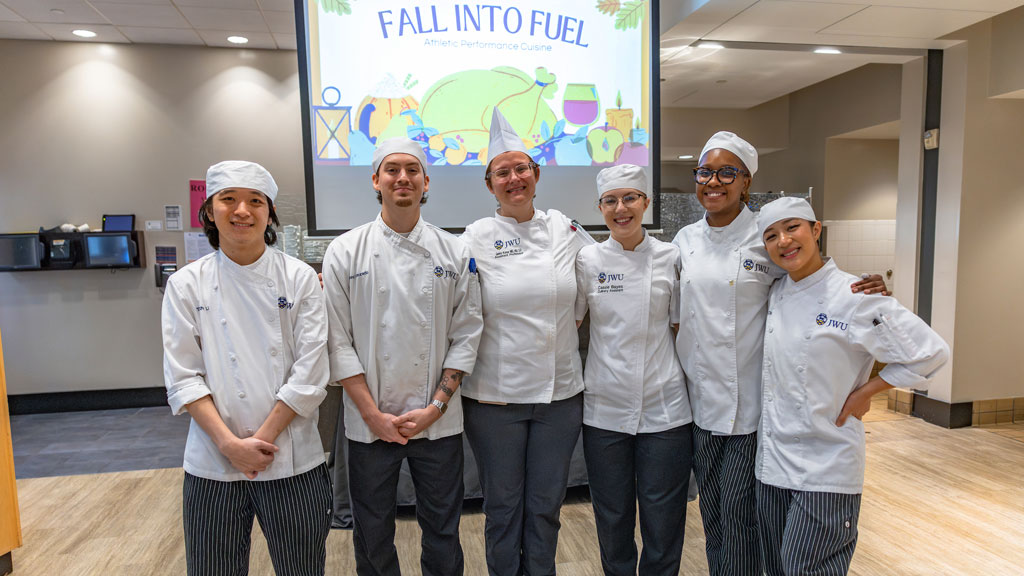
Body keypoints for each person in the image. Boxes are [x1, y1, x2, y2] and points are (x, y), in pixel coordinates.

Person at [672, 131, 888, 576]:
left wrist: (867, 382)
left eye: (727, 172)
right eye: (705, 172)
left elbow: (821, 291)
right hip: (699, 405)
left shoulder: (768, 234)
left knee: (741, 522)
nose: (714, 181)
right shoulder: (684, 240)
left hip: (756, 408)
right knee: (715, 519)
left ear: (746, 181)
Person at [755, 197, 948, 576]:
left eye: (792, 228)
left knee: (806, 568)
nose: (783, 241)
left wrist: (868, 391)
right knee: (776, 569)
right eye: (771, 235)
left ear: (816, 230)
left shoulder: (856, 294)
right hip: (773, 464)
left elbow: (931, 354)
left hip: (828, 464)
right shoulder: (775, 291)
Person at [161, 160, 333, 576]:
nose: (242, 210)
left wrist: (261, 441)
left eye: (255, 201)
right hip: (212, 462)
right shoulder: (186, 284)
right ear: (209, 211)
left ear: (269, 213)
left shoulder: (299, 278)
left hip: (292, 458)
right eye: (229, 199)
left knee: (303, 568)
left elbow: (311, 371)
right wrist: (229, 445)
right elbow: (184, 376)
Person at [321, 138, 483, 576]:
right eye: (392, 169)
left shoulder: (455, 251)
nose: (403, 178)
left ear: (426, 181)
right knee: (372, 530)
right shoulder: (345, 250)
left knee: (444, 528)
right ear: (376, 180)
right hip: (368, 422)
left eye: (412, 170)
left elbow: (467, 335)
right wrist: (373, 415)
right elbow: (338, 342)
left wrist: (435, 407)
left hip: (439, 421)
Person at [459, 108, 595, 576]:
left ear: (536, 175)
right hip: (495, 398)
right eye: (502, 172)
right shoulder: (474, 238)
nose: (514, 178)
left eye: (522, 169)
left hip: (560, 397)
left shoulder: (566, 229)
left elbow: (595, 283)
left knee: (545, 507)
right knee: (502, 509)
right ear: (489, 184)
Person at [574, 164, 694, 576]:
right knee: (612, 516)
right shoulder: (588, 259)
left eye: (630, 198)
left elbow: (681, 326)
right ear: (600, 207)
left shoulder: (670, 257)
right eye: (611, 200)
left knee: (664, 520)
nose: (620, 208)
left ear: (646, 202)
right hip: (605, 410)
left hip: (666, 410)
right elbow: (571, 322)